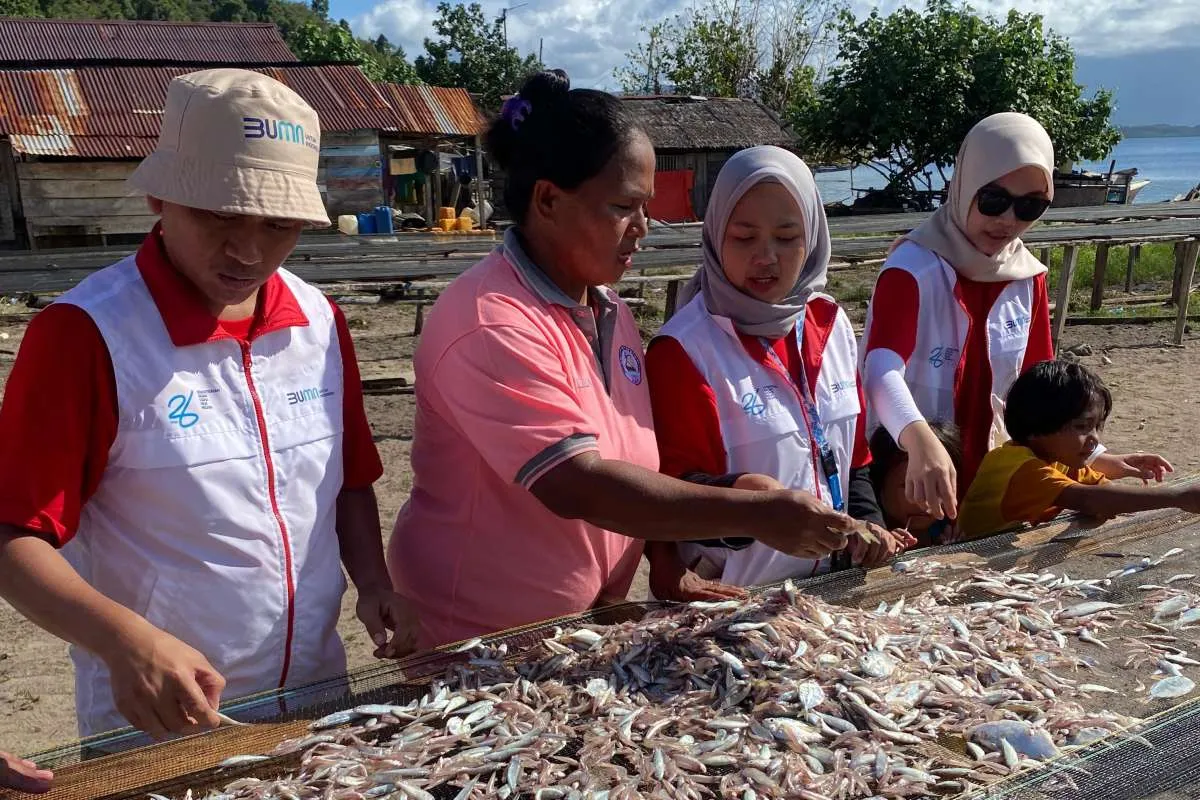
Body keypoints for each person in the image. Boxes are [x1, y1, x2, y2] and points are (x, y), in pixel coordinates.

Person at [0, 69, 413, 740]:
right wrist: (124, 641)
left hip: (316, 699)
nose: (248, 251)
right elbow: (13, 534)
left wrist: (372, 580)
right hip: (160, 718)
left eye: (279, 225)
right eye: (219, 215)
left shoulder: (318, 322)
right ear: (161, 197)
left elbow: (349, 480)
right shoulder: (87, 336)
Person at [387, 70, 862, 650]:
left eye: (646, 208)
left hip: (578, 629)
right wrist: (755, 513)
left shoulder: (610, 313)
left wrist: (668, 554)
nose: (643, 229)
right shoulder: (491, 321)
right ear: (548, 200)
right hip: (479, 636)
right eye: (624, 207)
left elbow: (635, 462)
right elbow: (579, 485)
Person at [643, 146, 914, 599]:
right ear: (714, 236)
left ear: (813, 237)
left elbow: (855, 459)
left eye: (787, 237)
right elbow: (667, 495)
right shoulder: (683, 350)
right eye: (743, 237)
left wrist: (868, 524)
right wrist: (750, 502)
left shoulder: (831, 324)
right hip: (729, 604)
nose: (766, 257)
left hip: (830, 593)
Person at [861, 112, 1058, 526]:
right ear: (963, 186)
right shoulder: (911, 268)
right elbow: (880, 369)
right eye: (992, 200)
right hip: (912, 474)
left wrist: (1092, 452)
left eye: (1029, 206)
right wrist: (919, 439)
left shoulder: (1028, 277)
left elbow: (1041, 389)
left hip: (991, 476)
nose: (1008, 220)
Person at [957, 361, 1184, 538]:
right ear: (1037, 425)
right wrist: (1182, 497)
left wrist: (1108, 499)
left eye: (1097, 426)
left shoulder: (1062, 458)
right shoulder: (1020, 468)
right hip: (965, 561)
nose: (1094, 439)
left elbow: (1102, 489)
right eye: (1082, 427)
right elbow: (1092, 501)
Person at [868, 422, 963, 547]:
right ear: (879, 483)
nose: (924, 500)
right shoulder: (864, 535)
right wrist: (879, 550)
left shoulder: (944, 531)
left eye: (937, 486)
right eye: (911, 486)